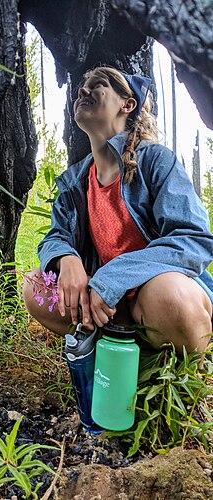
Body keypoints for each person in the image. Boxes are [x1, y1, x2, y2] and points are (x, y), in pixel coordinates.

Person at [23, 66, 213, 357]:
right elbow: (55, 236)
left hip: (153, 296)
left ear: (128, 104)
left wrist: (114, 276)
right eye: (82, 87)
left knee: (169, 297)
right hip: (108, 304)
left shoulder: (155, 160)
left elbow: (193, 238)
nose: (82, 91)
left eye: (97, 85)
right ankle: (121, 355)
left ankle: (180, 354)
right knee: (37, 287)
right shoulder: (75, 181)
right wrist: (66, 258)